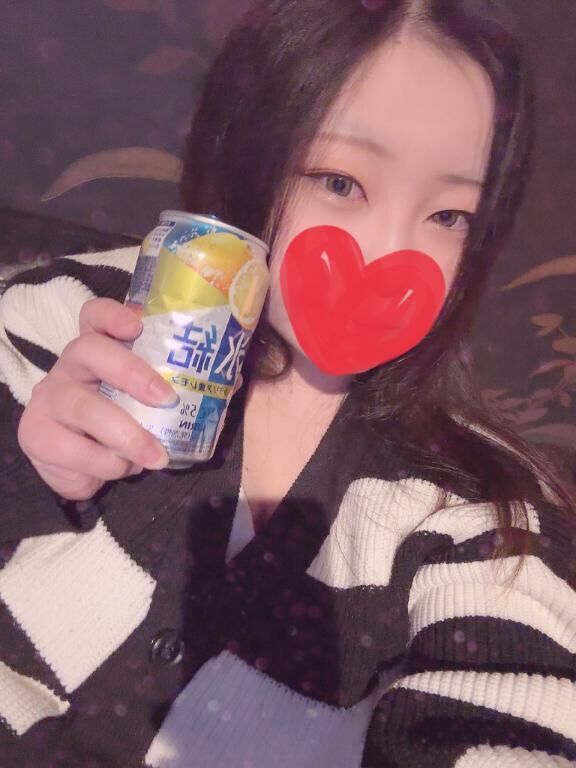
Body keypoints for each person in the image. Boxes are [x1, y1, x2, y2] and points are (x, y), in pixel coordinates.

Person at [0, 0, 575, 766]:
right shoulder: (66, 318)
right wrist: (26, 473)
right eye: (340, 181)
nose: (387, 255)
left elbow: (511, 713)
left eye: (449, 216)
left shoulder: (485, 512)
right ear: (251, 156)